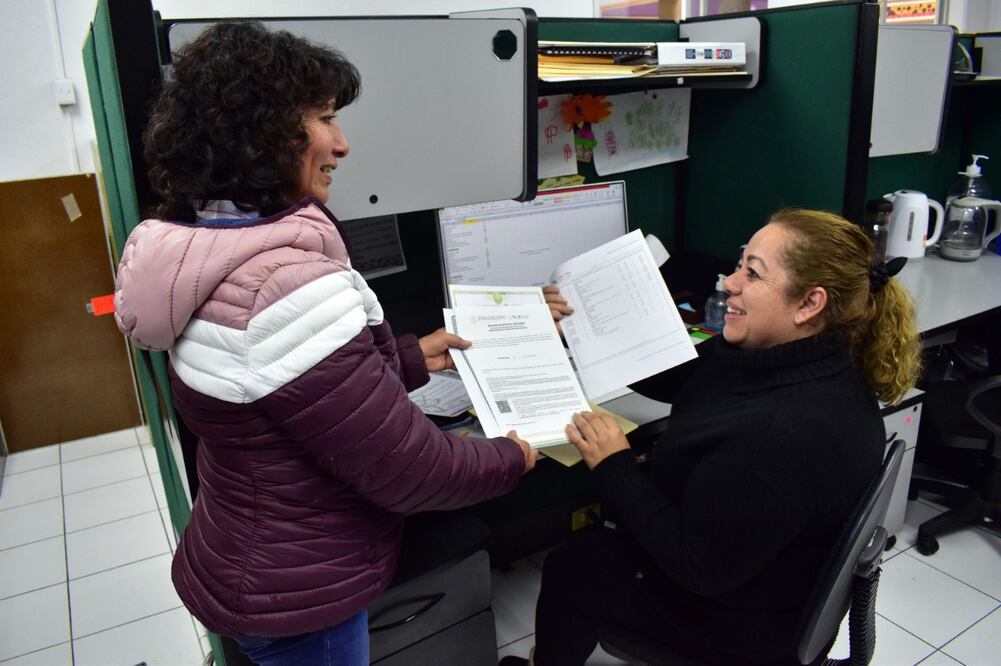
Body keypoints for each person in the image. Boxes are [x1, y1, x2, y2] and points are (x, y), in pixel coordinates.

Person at [113, 22, 537, 666]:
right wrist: (516, 455)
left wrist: (405, 358)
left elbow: (277, 389)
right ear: (262, 132)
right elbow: (411, 470)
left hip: (249, 557)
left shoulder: (210, 248)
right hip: (300, 593)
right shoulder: (284, 281)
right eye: (323, 118)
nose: (342, 143)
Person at [502, 208, 922, 666]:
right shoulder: (793, 356)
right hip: (759, 568)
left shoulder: (779, 433)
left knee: (575, 568)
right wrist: (575, 333)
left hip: (741, 623)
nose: (729, 282)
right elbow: (686, 376)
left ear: (809, 304)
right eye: (741, 263)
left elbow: (695, 567)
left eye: (753, 274)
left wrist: (614, 465)